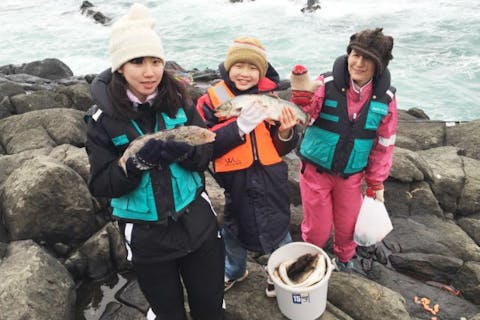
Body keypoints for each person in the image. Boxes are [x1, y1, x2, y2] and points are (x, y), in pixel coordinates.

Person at [85, 3, 224, 319]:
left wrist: (188, 152)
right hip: (148, 240)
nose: (149, 72)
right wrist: (132, 166)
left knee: (211, 309)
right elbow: (101, 184)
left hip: (199, 227)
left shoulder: (181, 103)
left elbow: (205, 153)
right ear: (120, 66)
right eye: (137, 62)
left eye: (156, 61)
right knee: (168, 313)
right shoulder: (101, 121)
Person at [196, 36, 300, 296]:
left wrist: (287, 132)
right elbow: (204, 146)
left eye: (252, 68)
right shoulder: (211, 101)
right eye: (239, 66)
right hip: (235, 180)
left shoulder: (272, 98)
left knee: (279, 229)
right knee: (233, 230)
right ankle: (234, 270)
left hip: (270, 177)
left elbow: (280, 148)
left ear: (261, 72)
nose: (244, 73)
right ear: (228, 67)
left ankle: (279, 274)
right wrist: (238, 128)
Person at [290, 28, 398, 272]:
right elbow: (307, 110)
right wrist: (301, 96)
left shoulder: (386, 99)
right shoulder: (326, 83)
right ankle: (310, 258)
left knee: (348, 226)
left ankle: (344, 261)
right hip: (315, 172)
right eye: (355, 55)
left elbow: (384, 144)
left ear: (379, 65)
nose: (358, 63)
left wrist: (375, 182)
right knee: (317, 228)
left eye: (367, 58)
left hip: (351, 177)